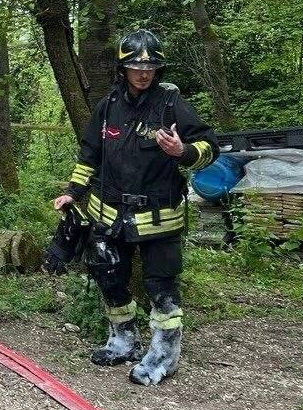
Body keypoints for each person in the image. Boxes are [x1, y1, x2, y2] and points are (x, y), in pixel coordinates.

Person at [53, 29, 217, 386]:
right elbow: (90, 155)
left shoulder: (171, 104)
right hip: (109, 213)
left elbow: (210, 147)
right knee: (109, 276)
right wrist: (72, 192)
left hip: (158, 217)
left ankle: (164, 357)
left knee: (161, 287)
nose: (144, 74)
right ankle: (123, 340)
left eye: (150, 68)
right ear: (123, 68)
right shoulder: (108, 106)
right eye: (137, 68)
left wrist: (183, 151)